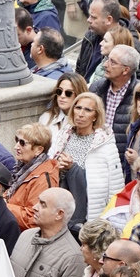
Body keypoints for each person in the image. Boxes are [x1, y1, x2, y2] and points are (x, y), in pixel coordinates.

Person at [48, 91, 124, 220]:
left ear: (95, 116)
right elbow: (49, 164)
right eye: (78, 108)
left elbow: (115, 186)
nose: (81, 114)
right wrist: (58, 166)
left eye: (87, 110)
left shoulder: (104, 144)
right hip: (58, 201)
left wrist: (72, 168)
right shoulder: (63, 135)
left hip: (88, 209)